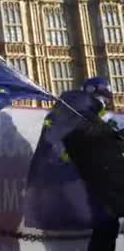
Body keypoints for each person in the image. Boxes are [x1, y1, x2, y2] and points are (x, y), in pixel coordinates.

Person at [52, 77, 122, 251]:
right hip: (95, 181)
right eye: (103, 96)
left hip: (107, 180)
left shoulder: (96, 117)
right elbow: (84, 140)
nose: (105, 100)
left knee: (108, 227)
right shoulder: (78, 116)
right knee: (105, 227)